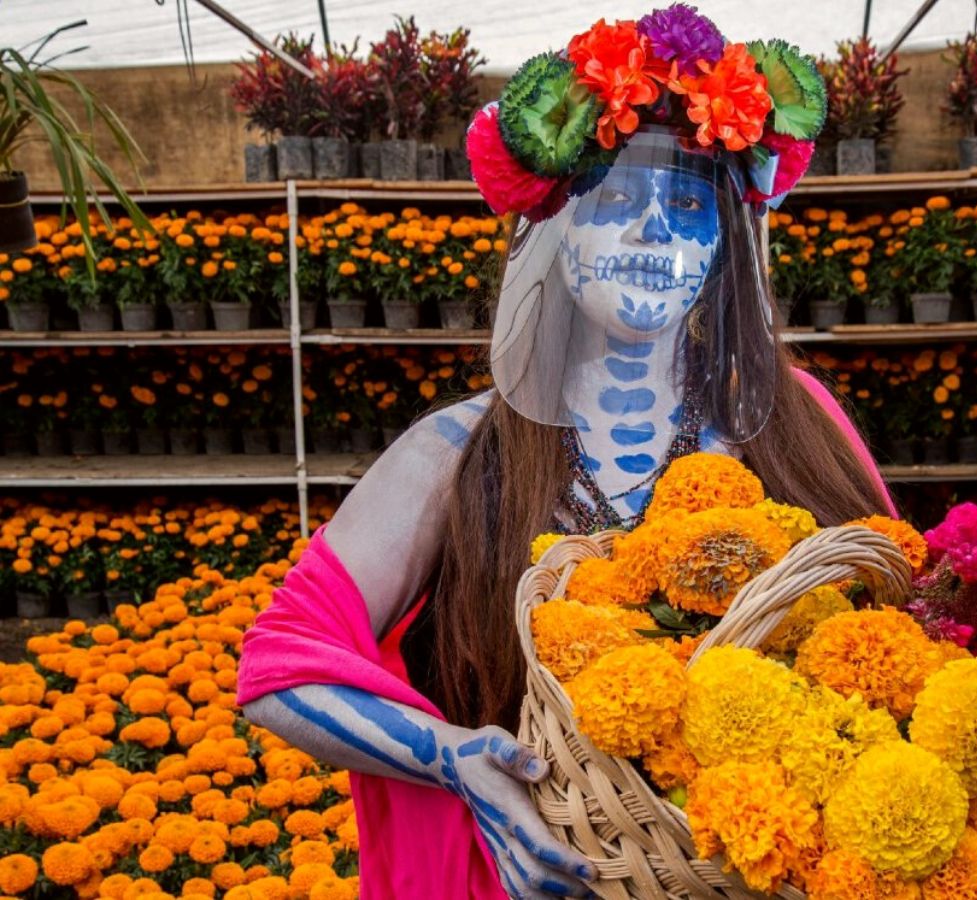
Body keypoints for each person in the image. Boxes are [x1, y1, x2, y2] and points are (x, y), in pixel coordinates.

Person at [237, 8, 897, 898]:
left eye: (690, 205)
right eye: (617, 201)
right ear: (551, 232)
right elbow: (282, 664)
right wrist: (455, 759)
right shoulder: (457, 450)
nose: (655, 233)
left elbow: (907, 612)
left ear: (721, 245)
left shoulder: (791, 418)